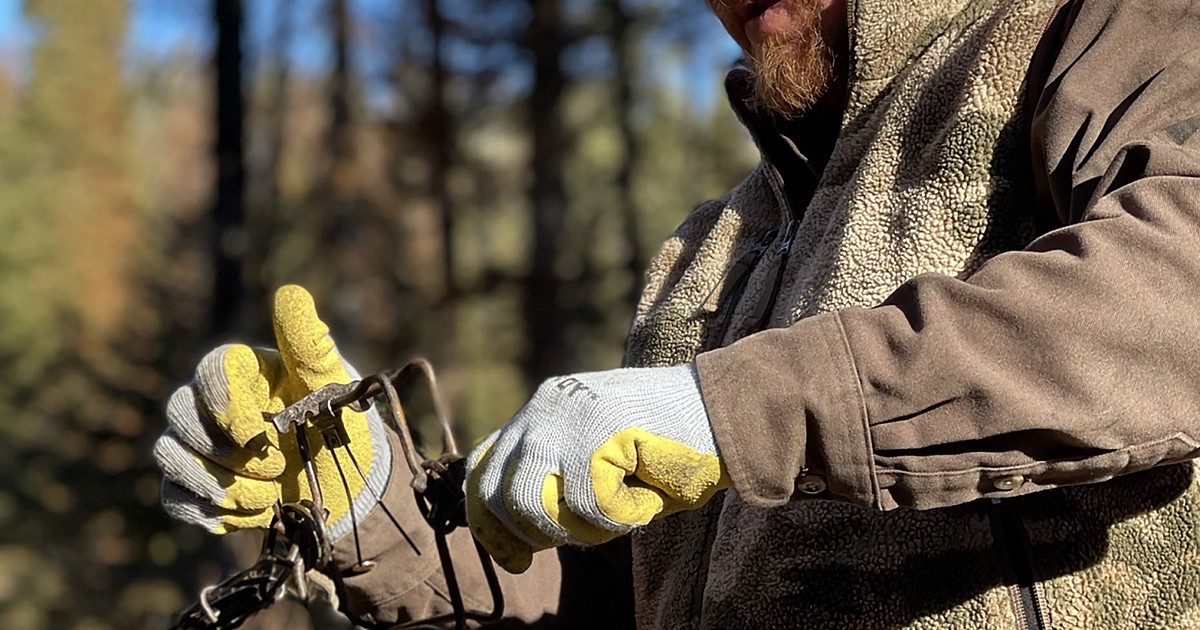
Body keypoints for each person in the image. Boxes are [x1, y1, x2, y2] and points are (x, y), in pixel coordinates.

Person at [156, 0, 1200, 627]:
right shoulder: (706, 256)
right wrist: (373, 513)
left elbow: (1178, 286)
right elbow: (609, 611)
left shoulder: (1091, 30)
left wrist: (735, 410)